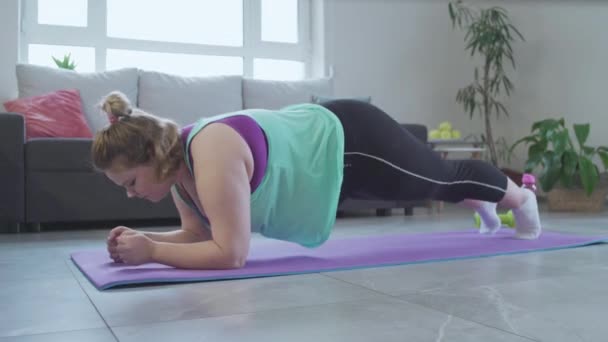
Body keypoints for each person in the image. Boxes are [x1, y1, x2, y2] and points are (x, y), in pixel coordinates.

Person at [94, 91, 542, 269]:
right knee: (439, 183)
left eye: (131, 182)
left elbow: (230, 253)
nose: (133, 193)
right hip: (331, 168)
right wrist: (144, 239)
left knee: (441, 177)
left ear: (152, 156)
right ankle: (481, 202)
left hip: (353, 140)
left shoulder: (209, 152)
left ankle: (521, 198)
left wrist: (151, 251)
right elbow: (197, 235)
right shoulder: (178, 171)